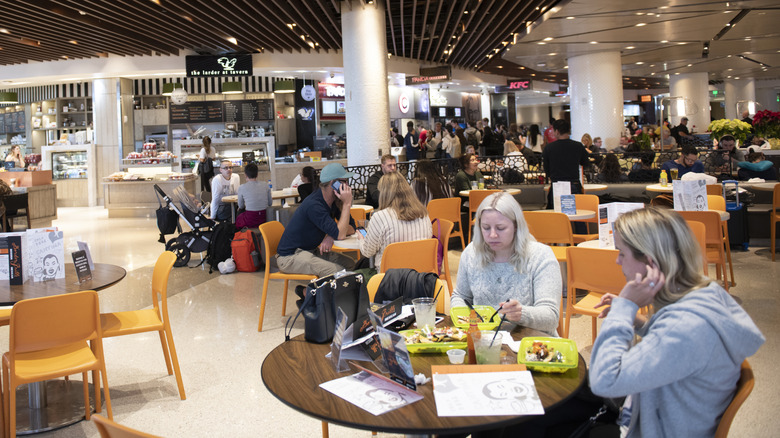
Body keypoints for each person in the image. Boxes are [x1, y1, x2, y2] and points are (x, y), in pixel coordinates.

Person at [588, 207, 764, 437]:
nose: (617, 261)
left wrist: (624, 310)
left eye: (622, 253)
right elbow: (673, 349)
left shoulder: (686, 328)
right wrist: (639, 319)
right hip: (668, 415)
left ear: (650, 263)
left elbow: (604, 381)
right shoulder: (705, 291)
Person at [451, 192, 560, 337]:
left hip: (531, 344)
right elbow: (460, 296)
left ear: (516, 226)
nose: (493, 235)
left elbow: (551, 318)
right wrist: (464, 318)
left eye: (501, 228)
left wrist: (522, 314)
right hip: (483, 339)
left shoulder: (540, 256)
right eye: (486, 228)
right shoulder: (471, 253)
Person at [276, 162, 357, 277]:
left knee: (349, 264)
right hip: (290, 257)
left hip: (310, 251)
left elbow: (352, 227)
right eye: (344, 181)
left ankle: (311, 292)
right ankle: (309, 293)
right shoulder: (314, 205)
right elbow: (341, 234)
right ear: (333, 183)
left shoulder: (333, 201)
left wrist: (331, 235)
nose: (348, 186)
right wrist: (347, 204)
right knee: (338, 271)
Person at [358, 172, 432, 268]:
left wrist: (361, 239)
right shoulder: (424, 214)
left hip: (390, 278)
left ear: (383, 193)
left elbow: (367, 252)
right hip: (420, 274)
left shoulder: (380, 217)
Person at [542, 119, 590, 209]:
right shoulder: (578, 146)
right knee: (578, 213)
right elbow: (585, 163)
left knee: (556, 213)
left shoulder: (549, 148)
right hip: (574, 184)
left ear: (556, 131)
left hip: (557, 185)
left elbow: (546, 169)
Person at [235, 162, 271, 229]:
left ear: (245, 175)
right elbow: (270, 203)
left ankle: (238, 234)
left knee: (239, 213)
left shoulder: (242, 187)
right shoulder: (265, 185)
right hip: (264, 218)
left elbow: (241, 206)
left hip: (250, 219)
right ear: (257, 174)